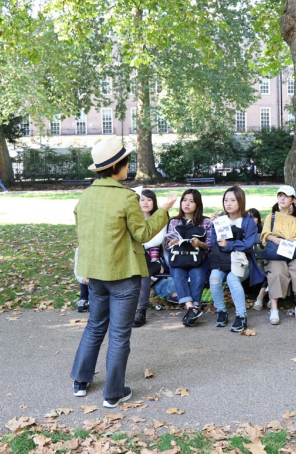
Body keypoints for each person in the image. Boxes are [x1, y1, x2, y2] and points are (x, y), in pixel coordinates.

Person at [70, 138, 176, 408]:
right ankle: (112, 393)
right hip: (123, 275)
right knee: (119, 335)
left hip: (95, 274)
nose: (129, 165)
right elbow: (142, 234)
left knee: (95, 326)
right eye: (126, 161)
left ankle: (80, 382)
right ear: (117, 166)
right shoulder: (127, 197)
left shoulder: (86, 196)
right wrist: (163, 211)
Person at [208, 187, 264, 332]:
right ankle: (221, 311)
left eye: (233, 200)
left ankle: (241, 316)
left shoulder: (248, 221)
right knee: (214, 280)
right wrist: (213, 226)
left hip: (241, 262)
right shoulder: (220, 218)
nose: (229, 203)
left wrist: (229, 245)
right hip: (222, 261)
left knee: (233, 279)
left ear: (240, 201)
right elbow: (214, 242)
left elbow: (248, 244)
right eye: (226, 200)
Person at [261, 186, 296, 325]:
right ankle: (274, 309)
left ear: (292, 199)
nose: (282, 198)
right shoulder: (271, 216)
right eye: (280, 195)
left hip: (292, 251)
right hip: (275, 253)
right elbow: (265, 233)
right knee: (277, 272)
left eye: (286, 196)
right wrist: (273, 239)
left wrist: (293, 241)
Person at [166, 189, 212, 327]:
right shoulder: (174, 222)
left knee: (197, 275)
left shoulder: (206, 222)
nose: (187, 204)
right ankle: (192, 307)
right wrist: (172, 242)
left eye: (191, 201)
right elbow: (167, 246)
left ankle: (192, 310)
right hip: (178, 258)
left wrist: (199, 243)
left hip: (198, 259)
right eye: (184, 200)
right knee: (178, 274)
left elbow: (210, 246)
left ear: (198, 204)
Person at [133, 189, 167, 328]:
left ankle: (141, 311)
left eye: (149, 200)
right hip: (134, 261)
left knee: (144, 272)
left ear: (154, 202)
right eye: (142, 199)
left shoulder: (160, 219)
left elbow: (157, 241)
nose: (145, 203)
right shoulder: (133, 220)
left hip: (155, 262)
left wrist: (138, 243)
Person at [73, 248, 89, 313]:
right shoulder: (79, 250)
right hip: (85, 275)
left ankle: (92, 300)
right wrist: (82, 279)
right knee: (84, 276)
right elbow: (77, 267)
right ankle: (84, 299)